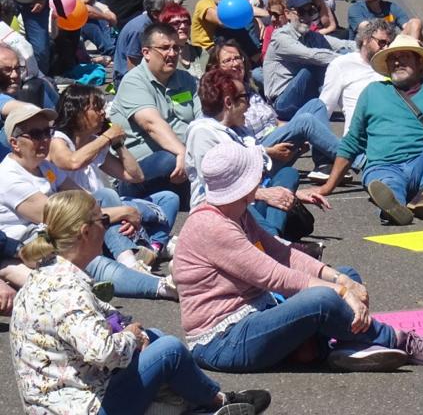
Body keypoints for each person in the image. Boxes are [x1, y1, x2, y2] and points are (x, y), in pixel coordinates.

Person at [176, 142, 423, 373]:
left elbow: (283, 254)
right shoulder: (212, 226)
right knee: (323, 299)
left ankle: (332, 347)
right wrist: (342, 292)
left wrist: (340, 278)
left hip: (258, 312)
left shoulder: (238, 212)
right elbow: (275, 275)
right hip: (224, 341)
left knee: (347, 274)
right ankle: (396, 340)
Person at [9, 190, 270, 415]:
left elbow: (91, 318)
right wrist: (132, 336)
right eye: (104, 219)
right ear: (85, 232)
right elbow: (105, 353)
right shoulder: (66, 289)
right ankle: (218, 403)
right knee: (169, 351)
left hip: (62, 396)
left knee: (154, 337)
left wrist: (130, 328)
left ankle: (197, 401)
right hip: (79, 407)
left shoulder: (49, 272)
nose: (107, 225)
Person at [0, 104, 172, 302]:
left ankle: (130, 259)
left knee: (107, 195)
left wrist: (113, 213)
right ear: (14, 143)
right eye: (36, 134)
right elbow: (60, 218)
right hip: (35, 243)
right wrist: (122, 212)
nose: (45, 139)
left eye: (47, 132)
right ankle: (162, 286)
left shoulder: (44, 167)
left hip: (66, 231)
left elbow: (86, 200)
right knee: (92, 258)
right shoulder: (9, 178)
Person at [313, 36, 423, 226]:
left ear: (419, 62)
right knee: (387, 185)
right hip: (383, 166)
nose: (397, 62)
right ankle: (394, 207)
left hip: (422, 166)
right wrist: (327, 187)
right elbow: (352, 141)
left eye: (404, 57)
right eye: (392, 58)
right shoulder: (372, 91)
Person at [49, 83, 180, 272]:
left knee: (168, 198)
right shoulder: (58, 140)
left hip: (106, 208)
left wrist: (118, 145)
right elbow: (72, 162)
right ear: (77, 112)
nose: (103, 113)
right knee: (108, 194)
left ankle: (153, 247)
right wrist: (107, 137)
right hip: (83, 214)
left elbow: (135, 176)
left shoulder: (95, 142)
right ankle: (136, 257)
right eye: (96, 108)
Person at [184, 68, 329, 236]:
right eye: (245, 98)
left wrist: (294, 194)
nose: (249, 104)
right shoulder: (202, 133)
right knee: (239, 204)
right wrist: (266, 194)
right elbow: (216, 190)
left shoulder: (239, 129)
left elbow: (260, 175)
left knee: (288, 174)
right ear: (229, 103)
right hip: (220, 208)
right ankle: (274, 241)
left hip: (252, 197)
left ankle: (272, 240)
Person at [209, 40, 344, 180]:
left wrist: (298, 133)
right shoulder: (223, 99)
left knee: (316, 105)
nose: (235, 63)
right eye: (228, 60)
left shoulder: (250, 90)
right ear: (216, 67)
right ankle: (356, 159)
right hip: (260, 154)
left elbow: (275, 122)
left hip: (276, 139)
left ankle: (324, 164)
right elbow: (230, 146)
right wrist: (268, 150)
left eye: (237, 58)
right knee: (305, 121)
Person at [109, 22, 200, 198]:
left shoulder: (186, 79)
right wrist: (183, 152)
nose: (172, 54)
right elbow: (152, 124)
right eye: (165, 48)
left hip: (187, 159)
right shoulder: (134, 81)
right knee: (169, 159)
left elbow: (202, 118)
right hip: (145, 165)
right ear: (146, 53)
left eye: (176, 48)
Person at [263, 0, 353, 121]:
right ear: (288, 14)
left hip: (304, 100)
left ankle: (352, 102)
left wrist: (369, 48)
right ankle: (348, 106)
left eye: (310, 12)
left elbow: (343, 44)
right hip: (282, 104)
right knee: (316, 65)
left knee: (341, 53)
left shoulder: (311, 36)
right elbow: (311, 55)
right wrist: (349, 60)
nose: (306, 17)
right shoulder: (281, 38)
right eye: (301, 12)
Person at [320, 19, 394, 130]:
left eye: (389, 44)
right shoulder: (341, 65)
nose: (386, 48)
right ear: (365, 40)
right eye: (382, 43)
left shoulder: (393, 66)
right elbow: (325, 108)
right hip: (358, 138)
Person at [114, 0, 175, 83]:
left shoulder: (155, 24)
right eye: (170, 11)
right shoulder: (140, 30)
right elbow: (133, 64)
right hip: (128, 79)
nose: (174, 13)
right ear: (155, 14)